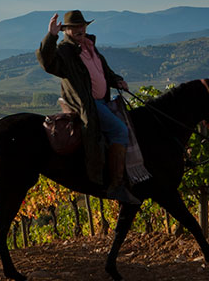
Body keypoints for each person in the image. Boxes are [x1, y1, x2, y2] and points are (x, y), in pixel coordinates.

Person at [37, 10, 140, 205]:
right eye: (73, 27)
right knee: (119, 130)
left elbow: (103, 71)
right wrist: (51, 36)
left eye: (82, 26)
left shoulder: (90, 47)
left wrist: (116, 80)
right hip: (87, 106)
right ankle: (115, 186)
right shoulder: (65, 52)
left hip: (102, 102)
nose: (79, 29)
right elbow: (46, 62)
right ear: (65, 30)